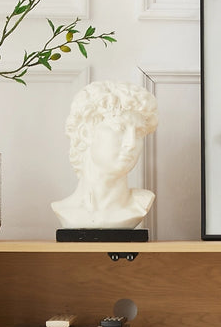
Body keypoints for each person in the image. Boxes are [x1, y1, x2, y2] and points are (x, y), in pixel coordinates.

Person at [51, 81, 159, 228]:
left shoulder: (140, 205)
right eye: (119, 128)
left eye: (138, 132)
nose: (131, 143)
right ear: (86, 133)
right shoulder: (64, 210)